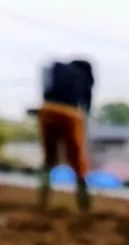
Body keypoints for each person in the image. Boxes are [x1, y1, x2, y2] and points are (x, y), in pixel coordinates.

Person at [37, 59, 95, 212]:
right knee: (77, 159)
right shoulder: (84, 75)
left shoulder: (55, 67)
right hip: (71, 113)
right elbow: (87, 102)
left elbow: (46, 88)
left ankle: (43, 197)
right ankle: (83, 200)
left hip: (48, 110)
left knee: (49, 158)